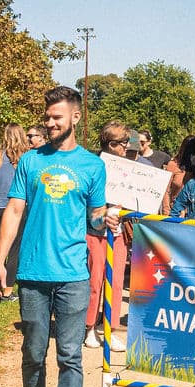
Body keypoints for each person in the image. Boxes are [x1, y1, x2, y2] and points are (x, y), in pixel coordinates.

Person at [0, 86, 107, 387]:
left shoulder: (92, 165)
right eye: (47, 116)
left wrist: (105, 220)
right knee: (34, 352)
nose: (49, 122)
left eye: (57, 116)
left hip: (73, 274)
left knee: (70, 356)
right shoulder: (30, 162)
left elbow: (94, 217)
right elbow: (14, 209)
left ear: (75, 117)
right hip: (33, 274)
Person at [85, 120, 132, 349]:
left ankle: (110, 329)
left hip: (118, 233)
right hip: (95, 233)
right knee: (94, 280)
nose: (127, 147)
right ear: (111, 144)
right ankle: (89, 327)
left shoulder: (130, 169)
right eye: (123, 143)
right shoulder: (93, 165)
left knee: (115, 280)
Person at [0, 125, 28, 300]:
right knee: (14, 250)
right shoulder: (26, 157)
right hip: (17, 207)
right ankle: (7, 289)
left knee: (0, 248)